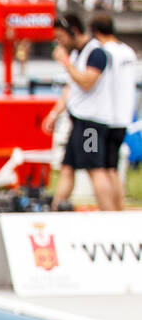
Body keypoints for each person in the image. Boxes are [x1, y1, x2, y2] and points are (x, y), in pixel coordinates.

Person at [42, 13, 118, 211]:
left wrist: (66, 63)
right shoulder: (77, 54)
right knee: (67, 168)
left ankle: (110, 216)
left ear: (73, 31)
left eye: (61, 37)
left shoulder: (96, 53)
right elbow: (71, 89)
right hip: (78, 121)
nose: (58, 42)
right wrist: (54, 113)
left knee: (95, 169)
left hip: (91, 122)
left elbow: (86, 83)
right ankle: (55, 211)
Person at [89, 12, 136, 211]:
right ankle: (119, 210)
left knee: (97, 168)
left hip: (104, 118)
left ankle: (108, 211)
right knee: (112, 168)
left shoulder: (102, 52)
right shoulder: (128, 51)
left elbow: (95, 82)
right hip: (124, 116)